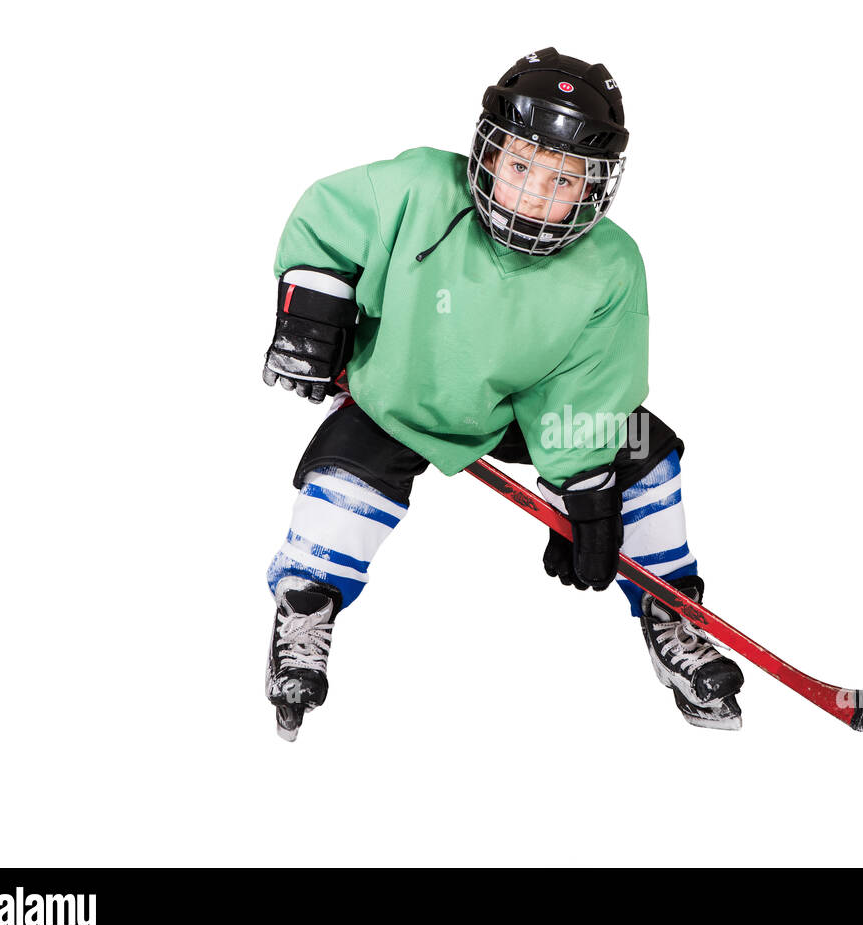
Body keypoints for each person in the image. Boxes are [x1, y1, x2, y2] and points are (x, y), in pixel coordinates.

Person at [261, 48, 744, 741]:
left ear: (595, 189)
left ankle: (671, 611)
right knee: (346, 480)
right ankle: (305, 603)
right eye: (521, 166)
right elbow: (330, 220)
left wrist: (585, 486)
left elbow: (595, 384)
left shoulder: (611, 264)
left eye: (563, 180)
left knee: (645, 446)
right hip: (399, 393)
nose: (535, 195)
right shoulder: (421, 186)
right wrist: (314, 309)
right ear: (488, 156)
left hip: (521, 415)